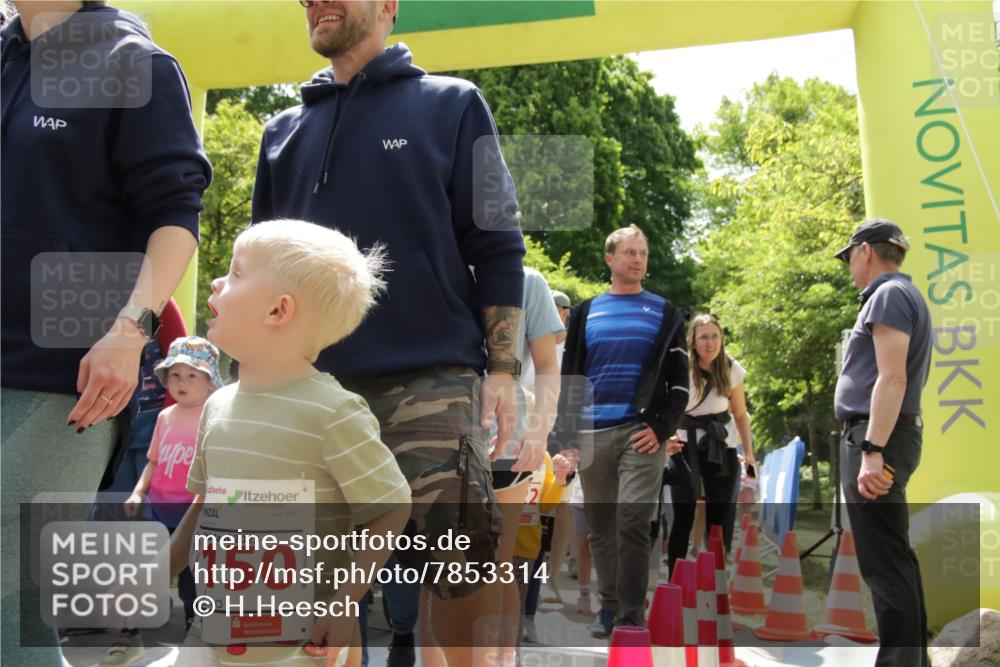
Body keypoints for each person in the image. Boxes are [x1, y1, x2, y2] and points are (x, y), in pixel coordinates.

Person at [251, 2, 525, 663]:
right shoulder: (280, 132)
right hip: (305, 394)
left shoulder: (454, 105)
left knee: (460, 575)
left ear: (387, 7)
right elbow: (259, 279)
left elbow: (497, 244)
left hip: (431, 385)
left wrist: (505, 368)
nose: (314, 2)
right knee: (312, 596)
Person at [1, 2, 211, 663]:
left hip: (64, 379)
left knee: (10, 598)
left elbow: (176, 212)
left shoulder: (133, 62)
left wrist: (130, 330)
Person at [170, 219, 412, 667]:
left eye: (237, 273)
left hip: (298, 645)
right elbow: (206, 503)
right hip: (213, 627)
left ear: (278, 311)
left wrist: (341, 607)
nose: (220, 281)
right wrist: (163, 568)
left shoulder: (333, 411)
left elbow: (391, 507)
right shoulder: (217, 405)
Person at [548, 224, 688, 637]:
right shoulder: (588, 312)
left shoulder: (666, 313)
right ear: (610, 259)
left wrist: (661, 428)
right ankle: (609, 608)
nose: (638, 260)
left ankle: (631, 614)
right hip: (592, 435)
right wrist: (566, 442)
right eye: (629, 253)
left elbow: (679, 384)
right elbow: (571, 379)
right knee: (601, 527)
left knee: (631, 519)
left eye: (642, 253)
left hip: (639, 434)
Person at [833, 218, 931, 667]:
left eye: (849, 255)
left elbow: (892, 377)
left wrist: (871, 450)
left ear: (866, 251)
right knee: (895, 558)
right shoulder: (902, 294)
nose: (849, 265)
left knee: (885, 564)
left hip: (878, 440)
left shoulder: (889, 295)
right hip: (886, 437)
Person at [102, 337, 223, 666]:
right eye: (175, 375)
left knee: (192, 585)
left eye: (192, 375)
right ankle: (128, 641)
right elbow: (154, 461)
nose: (182, 383)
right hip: (158, 511)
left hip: (194, 514)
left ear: (211, 382)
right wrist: (138, 491)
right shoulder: (165, 416)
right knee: (145, 577)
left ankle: (195, 643)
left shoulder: (213, 417)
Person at [665, 314, 757, 574]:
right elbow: (664, 407)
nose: (710, 342)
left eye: (715, 336)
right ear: (693, 341)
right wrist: (667, 436)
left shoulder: (730, 368)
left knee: (720, 517)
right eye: (703, 337)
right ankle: (675, 578)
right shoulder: (680, 367)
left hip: (720, 446)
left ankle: (715, 580)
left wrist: (749, 453)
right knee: (683, 516)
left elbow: (740, 413)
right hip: (683, 447)